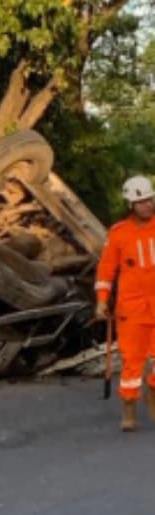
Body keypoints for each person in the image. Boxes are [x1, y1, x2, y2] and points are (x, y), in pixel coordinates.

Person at [95, 175, 155, 432]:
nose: (148, 205)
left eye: (150, 199)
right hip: (131, 308)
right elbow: (106, 270)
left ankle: (152, 390)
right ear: (131, 204)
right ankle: (129, 410)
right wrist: (101, 301)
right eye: (141, 201)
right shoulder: (119, 233)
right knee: (132, 361)